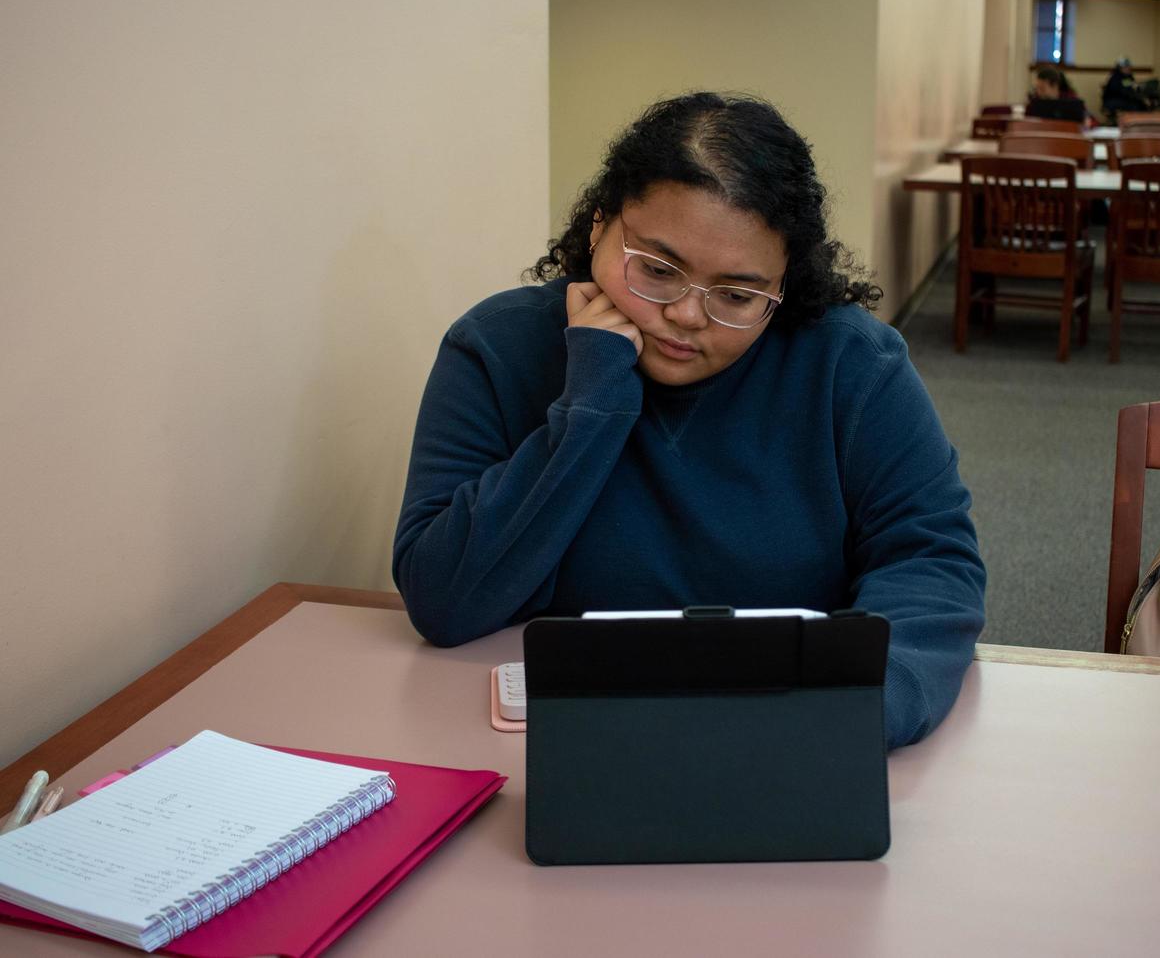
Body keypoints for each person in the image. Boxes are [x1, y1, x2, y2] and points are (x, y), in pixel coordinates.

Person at [393, 92, 986, 749]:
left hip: (795, 739)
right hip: (558, 742)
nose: (686, 315)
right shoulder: (497, 348)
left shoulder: (850, 364)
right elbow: (444, 597)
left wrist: (859, 710)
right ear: (599, 225)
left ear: (784, 288)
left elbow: (931, 560)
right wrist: (590, 404)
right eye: (656, 269)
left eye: (736, 294)